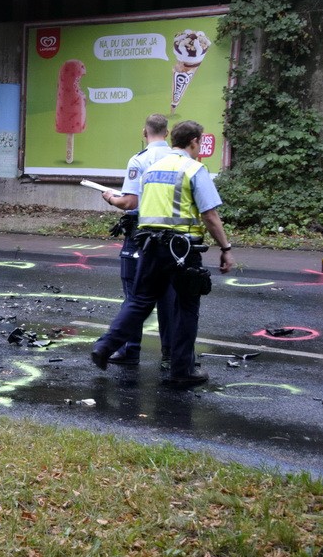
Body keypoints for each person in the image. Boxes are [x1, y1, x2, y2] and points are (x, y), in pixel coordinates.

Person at [91, 120, 236, 389]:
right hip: (181, 249)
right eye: (200, 142)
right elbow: (210, 215)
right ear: (193, 142)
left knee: (139, 301)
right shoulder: (194, 169)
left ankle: (104, 347)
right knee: (186, 308)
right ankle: (182, 370)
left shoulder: (152, 168)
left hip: (148, 245)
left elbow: (137, 204)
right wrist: (226, 249)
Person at [100, 114, 174, 366]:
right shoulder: (179, 160)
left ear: (144, 133)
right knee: (169, 297)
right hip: (173, 236)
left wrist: (110, 197)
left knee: (135, 293)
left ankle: (130, 350)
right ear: (167, 132)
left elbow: (130, 202)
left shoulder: (140, 160)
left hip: (141, 234)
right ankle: (170, 354)